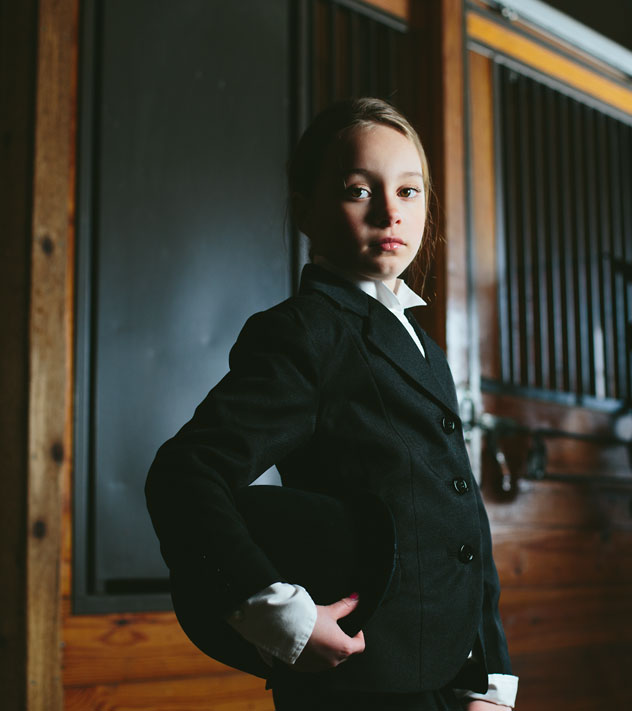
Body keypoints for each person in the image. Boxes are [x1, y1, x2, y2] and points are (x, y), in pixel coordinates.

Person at [145, 97, 517, 711]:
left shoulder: (424, 343)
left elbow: (461, 517)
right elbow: (186, 473)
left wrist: (492, 678)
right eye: (357, 189)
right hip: (358, 684)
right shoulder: (305, 332)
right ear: (306, 213)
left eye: (409, 191)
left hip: (448, 682)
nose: (390, 211)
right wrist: (278, 614)